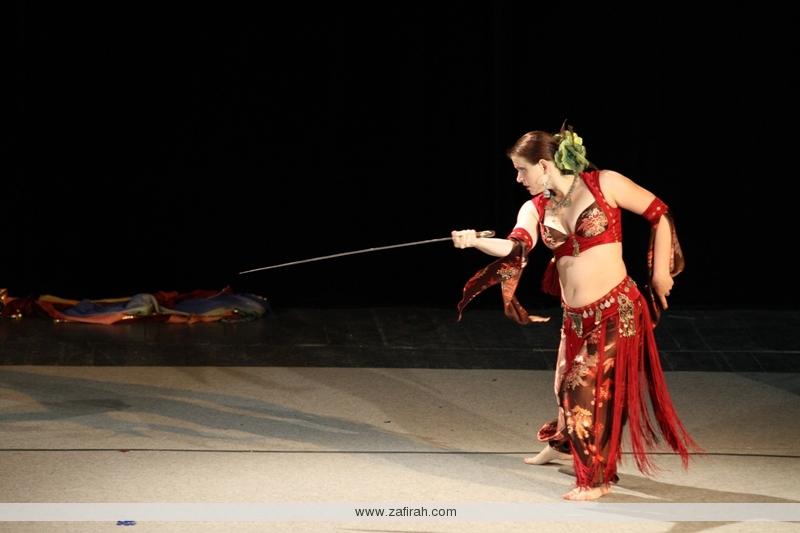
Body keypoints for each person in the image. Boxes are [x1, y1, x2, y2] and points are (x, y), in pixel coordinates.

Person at [451, 126, 699, 500]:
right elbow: (516, 247)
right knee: (562, 388)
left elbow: (659, 213)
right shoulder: (535, 208)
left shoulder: (604, 184)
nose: (518, 179)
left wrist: (661, 271)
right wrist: (475, 242)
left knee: (580, 388)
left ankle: (597, 478)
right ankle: (564, 445)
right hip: (576, 317)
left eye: (521, 170)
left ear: (544, 165)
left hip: (617, 310)